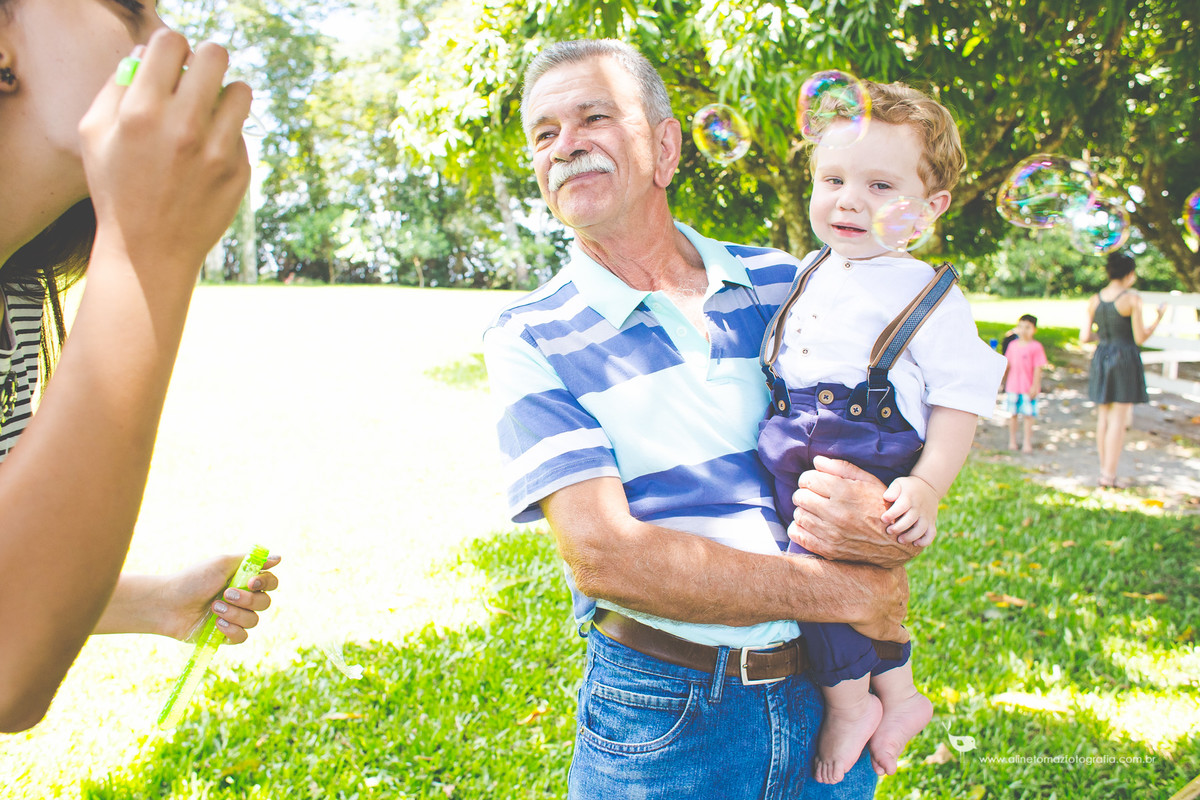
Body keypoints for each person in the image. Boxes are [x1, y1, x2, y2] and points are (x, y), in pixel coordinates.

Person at [485, 39, 917, 799]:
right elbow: (606, 558)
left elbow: (889, 426)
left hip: (829, 694)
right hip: (664, 716)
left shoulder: (788, 279)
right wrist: (848, 595)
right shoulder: (530, 333)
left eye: (593, 117)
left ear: (665, 145)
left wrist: (898, 511)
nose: (566, 145)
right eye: (544, 133)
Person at [0, 1, 277, 733]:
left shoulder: (15, 291)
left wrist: (147, 601)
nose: (171, 41)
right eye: (128, 7)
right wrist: (147, 251)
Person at [756, 81, 1006, 784]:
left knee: (818, 575)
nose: (848, 200)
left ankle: (849, 704)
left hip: (863, 449)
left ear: (929, 209)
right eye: (833, 178)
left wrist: (927, 486)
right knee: (832, 574)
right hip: (793, 438)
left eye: (880, 185)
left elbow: (961, 401)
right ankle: (899, 695)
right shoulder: (809, 270)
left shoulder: (926, 291)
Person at [1081, 251, 1166, 488]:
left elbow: (1085, 336)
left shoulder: (1094, 300)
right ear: (1129, 273)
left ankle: (1102, 471)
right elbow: (1140, 337)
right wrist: (1158, 318)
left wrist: (1106, 336)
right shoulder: (1132, 299)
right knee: (1118, 418)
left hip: (1102, 355)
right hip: (1124, 357)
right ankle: (1110, 475)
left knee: (1103, 417)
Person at [1002, 314, 1048, 453]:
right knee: (1013, 415)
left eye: (1027, 327)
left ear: (1034, 330)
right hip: (1013, 386)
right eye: (1021, 326)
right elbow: (1007, 365)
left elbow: (1038, 368)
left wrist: (1035, 385)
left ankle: (1027, 442)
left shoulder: (1036, 347)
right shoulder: (1012, 345)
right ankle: (1012, 441)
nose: (1023, 330)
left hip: (1028, 388)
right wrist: (1002, 382)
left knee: (1028, 416)